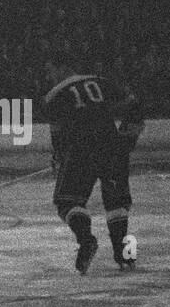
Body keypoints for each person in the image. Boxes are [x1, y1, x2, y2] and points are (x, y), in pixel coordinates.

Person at [41, 55, 145, 272]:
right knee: (117, 204)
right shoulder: (100, 81)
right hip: (112, 146)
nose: (48, 77)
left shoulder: (53, 96)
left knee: (66, 202)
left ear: (62, 69)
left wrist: (59, 158)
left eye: (50, 71)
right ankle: (125, 254)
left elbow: (59, 139)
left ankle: (86, 240)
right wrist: (127, 139)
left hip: (81, 151)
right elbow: (134, 106)